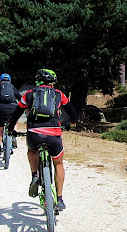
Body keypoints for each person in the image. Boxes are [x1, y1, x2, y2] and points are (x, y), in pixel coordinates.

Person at [7, 69, 77, 211]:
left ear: (37, 81)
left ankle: (35, 175)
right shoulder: (59, 94)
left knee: (32, 151)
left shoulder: (29, 94)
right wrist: (71, 124)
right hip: (54, 134)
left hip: (34, 133)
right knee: (58, 163)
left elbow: (16, 113)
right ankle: (60, 198)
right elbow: (72, 112)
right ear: (53, 82)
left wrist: (10, 129)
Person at [0, 73, 22, 155]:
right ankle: (13, 137)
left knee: (0, 128)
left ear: (0, 81)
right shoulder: (12, 87)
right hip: (13, 108)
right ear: (9, 80)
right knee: (14, 122)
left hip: (1, 109)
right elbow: (20, 99)